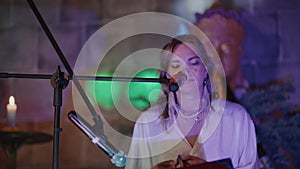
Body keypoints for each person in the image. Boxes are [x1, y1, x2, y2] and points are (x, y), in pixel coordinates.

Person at [125, 34, 259, 169]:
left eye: (194, 62)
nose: (186, 70)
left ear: (205, 69)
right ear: (166, 74)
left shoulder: (235, 117)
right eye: (176, 65)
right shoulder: (148, 122)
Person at [193, 2, 248, 102]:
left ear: (240, 49)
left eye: (226, 48)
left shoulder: (260, 103)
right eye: (209, 47)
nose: (217, 56)